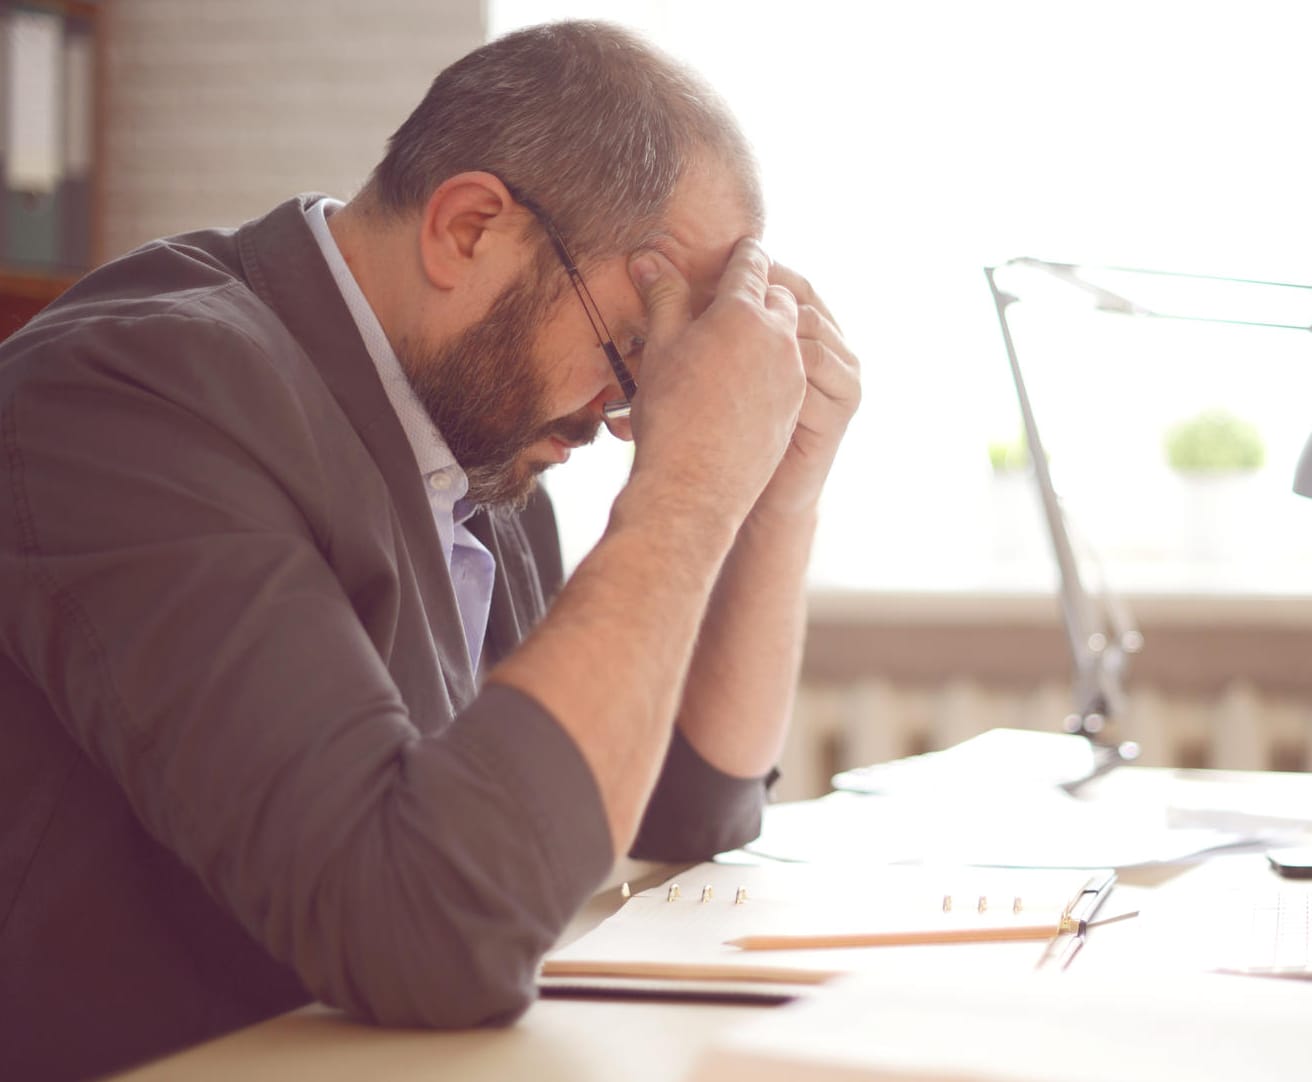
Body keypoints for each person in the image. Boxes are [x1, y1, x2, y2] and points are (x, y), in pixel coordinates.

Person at [0, 20, 859, 1081]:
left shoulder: (475, 440)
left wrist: (776, 491)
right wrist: (687, 488)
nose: (634, 413)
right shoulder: (136, 394)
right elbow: (429, 930)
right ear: (466, 228)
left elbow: (680, 813)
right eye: (634, 349)